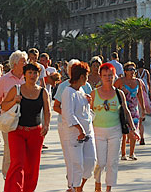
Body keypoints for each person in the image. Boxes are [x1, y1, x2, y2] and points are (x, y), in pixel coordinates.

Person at [2, 63, 51, 192]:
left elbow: (47, 110)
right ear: (24, 75)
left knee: (32, 167)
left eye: (35, 73)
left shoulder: (42, 91)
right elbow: (4, 106)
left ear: (39, 75)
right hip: (17, 131)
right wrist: (14, 101)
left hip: (35, 132)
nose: (32, 75)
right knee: (17, 164)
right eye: (29, 72)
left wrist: (46, 125)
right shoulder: (16, 89)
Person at [91, 63, 139, 192]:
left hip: (115, 131)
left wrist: (133, 129)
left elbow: (126, 111)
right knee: (100, 162)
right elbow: (88, 112)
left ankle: (108, 188)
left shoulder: (119, 93)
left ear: (114, 76)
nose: (108, 78)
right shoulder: (94, 93)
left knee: (112, 162)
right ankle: (97, 181)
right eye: (105, 75)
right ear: (101, 76)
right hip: (98, 131)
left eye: (110, 75)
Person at [0, 50, 27, 179]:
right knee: (10, 148)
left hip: (26, 118)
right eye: (24, 61)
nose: (26, 63)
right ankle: (8, 175)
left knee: (23, 149)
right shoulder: (4, 79)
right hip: (9, 119)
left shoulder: (28, 78)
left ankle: (20, 174)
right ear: (15, 64)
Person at [61, 62, 96, 192]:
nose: (87, 79)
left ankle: (78, 186)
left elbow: (85, 112)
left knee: (91, 161)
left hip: (88, 132)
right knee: (77, 164)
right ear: (81, 77)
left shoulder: (81, 91)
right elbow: (68, 114)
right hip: (74, 135)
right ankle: (75, 188)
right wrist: (79, 129)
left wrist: (88, 102)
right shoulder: (68, 92)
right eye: (86, 76)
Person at [53, 59, 87, 192]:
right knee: (71, 158)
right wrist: (69, 115)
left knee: (84, 160)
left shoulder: (85, 86)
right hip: (66, 127)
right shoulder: (64, 87)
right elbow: (56, 106)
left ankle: (77, 185)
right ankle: (72, 185)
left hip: (83, 129)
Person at [114, 62, 145, 160]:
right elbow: (112, 91)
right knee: (124, 133)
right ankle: (123, 154)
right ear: (125, 71)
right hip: (122, 110)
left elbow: (140, 95)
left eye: (133, 69)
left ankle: (132, 153)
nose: (132, 71)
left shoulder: (137, 82)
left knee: (133, 131)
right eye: (130, 70)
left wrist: (143, 109)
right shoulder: (120, 81)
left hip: (134, 110)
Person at [136, 59, 151, 145]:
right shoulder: (146, 72)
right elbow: (149, 81)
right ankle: (142, 137)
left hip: (137, 91)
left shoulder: (136, 72)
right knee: (141, 121)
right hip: (144, 90)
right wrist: (149, 88)